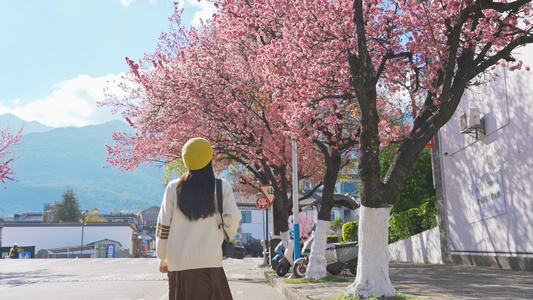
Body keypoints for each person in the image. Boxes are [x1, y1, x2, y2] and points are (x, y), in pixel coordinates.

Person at [156, 137, 241, 300]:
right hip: (210, 261)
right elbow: (234, 218)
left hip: (179, 263)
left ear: (185, 160)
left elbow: (163, 225)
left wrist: (163, 257)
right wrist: (224, 235)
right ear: (210, 158)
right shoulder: (221, 187)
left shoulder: (173, 188)